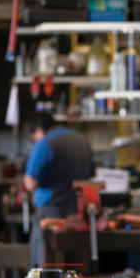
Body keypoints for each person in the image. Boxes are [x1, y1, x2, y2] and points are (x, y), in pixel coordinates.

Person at [23, 111, 93, 266]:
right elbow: (91, 174)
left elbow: (30, 183)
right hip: (78, 213)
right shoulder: (81, 140)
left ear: (38, 130)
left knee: (45, 267)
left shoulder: (45, 143)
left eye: (33, 137)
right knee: (76, 266)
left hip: (51, 213)